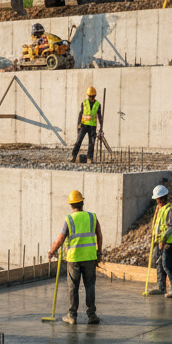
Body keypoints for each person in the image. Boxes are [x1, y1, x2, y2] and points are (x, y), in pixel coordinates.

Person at [47, 189, 102, 325]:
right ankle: (92, 315)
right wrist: (99, 252)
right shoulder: (92, 217)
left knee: (73, 287)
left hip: (74, 259)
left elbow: (61, 238)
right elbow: (99, 235)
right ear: (82, 203)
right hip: (90, 257)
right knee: (90, 286)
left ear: (71, 205)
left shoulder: (69, 219)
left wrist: (52, 251)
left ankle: (72, 316)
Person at [149, 185, 172, 298]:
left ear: (165, 198)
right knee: (159, 264)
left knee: (167, 264)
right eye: (158, 199)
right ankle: (161, 287)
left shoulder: (169, 210)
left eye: (161, 198)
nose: (160, 201)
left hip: (169, 242)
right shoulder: (160, 210)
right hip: (160, 242)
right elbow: (158, 226)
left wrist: (163, 239)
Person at [71, 86, 103, 164]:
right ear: (88, 96)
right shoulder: (84, 103)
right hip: (84, 125)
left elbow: (99, 116)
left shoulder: (97, 104)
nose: (91, 97)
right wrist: (79, 125)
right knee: (78, 141)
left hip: (92, 126)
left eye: (93, 96)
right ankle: (74, 156)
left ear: (95, 96)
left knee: (91, 142)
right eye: (90, 96)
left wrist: (101, 127)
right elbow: (80, 114)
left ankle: (90, 158)